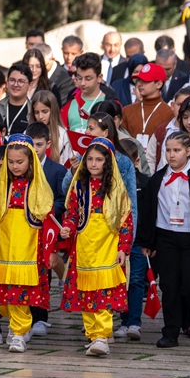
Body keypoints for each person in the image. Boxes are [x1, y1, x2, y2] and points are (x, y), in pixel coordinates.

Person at [0, 135, 53, 353]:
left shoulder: (37, 186)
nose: (15, 166)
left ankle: (18, 333)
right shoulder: (2, 185)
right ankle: (16, 328)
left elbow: (46, 214)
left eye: (20, 162)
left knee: (20, 294)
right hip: (2, 245)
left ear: (31, 161)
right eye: (11, 162)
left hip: (26, 246)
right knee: (2, 297)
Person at [59, 138, 133, 356]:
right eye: (89, 159)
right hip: (84, 246)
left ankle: (102, 335)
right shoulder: (78, 187)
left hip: (107, 244)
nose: (93, 163)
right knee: (85, 292)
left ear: (107, 162)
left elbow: (125, 222)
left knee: (102, 291)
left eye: (99, 159)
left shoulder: (116, 190)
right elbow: (72, 215)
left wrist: (123, 248)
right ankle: (93, 335)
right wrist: (67, 228)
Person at [139, 132, 190, 349]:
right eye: (168, 150)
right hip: (166, 236)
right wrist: (147, 241)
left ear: (188, 151)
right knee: (169, 285)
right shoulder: (158, 179)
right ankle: (170, 332)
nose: (171, 155)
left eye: (176, 150)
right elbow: (149, 211)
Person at [121, 63, 176, 170]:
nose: (140, 84)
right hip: (129, 168)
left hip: (157, 170)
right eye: (139, 80)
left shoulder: (169, 113)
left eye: (145, 81)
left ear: (159, 84)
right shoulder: (127, 110)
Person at [65, 52, 114, 132]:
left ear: (99, 78)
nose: (82, 83)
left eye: (88, 79)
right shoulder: (70, 102)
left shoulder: (109, 103)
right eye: (79, 78)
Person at [31, 90, 72, 166]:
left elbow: (67, 165)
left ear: (53, 111)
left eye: (45, 112)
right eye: (36, 112)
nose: (40, 117)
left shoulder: (63, 135)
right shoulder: (26, 133)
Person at [0, 64, 33, 136]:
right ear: (7, 83)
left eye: (21, 81)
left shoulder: (35, 110)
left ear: (30, 85)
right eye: (12, 80)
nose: (15, 85)